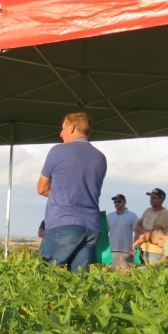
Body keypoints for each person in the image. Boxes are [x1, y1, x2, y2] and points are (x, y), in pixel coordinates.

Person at [37, 112, 107, 273]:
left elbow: (41, 188)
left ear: (72, 127)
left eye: (63, 129)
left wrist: (59, 192)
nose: (60, 134)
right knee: (79, 284)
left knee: (43, 279)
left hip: (64, 223)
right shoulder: (100, 157)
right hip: (92, 227)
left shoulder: (57, 151)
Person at [134, 188, 168, 264]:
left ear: (162, 199)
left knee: (152, 273)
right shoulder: (148, 210)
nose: (151, 199)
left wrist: (142, 235)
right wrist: (145, 231)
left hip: (155, 250)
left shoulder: (165, 213)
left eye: (154, 198)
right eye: (150, 197)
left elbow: (154, 233)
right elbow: (136, 226)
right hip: (142, 248)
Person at [107, 194, 138, 271]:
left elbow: (137, 232)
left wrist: (133, 249)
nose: (116, 203)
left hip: (126, 252)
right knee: (111, 274)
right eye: (115, 202)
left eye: (119, 201)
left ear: (125, 202)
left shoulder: (132, 216)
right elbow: (104, 232)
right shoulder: (109, 216)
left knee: (126, 275)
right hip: (112, 251)